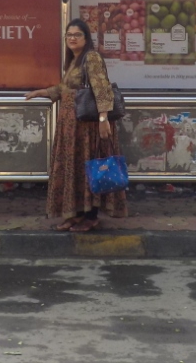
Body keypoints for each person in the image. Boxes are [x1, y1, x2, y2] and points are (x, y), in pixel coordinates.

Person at [25, 18, 128, 231]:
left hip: (88, 126)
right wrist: (41, 93)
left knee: (90, 166)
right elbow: (65, 89)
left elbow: (102, 88)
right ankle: (77, 213)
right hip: (73, 126)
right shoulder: (75, 59)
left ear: (86, 38)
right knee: (76, 168)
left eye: (77, 35)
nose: (72, 38)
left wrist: (103, 119)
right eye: (69, 35)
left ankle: (91, 216)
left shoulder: (91, 58)